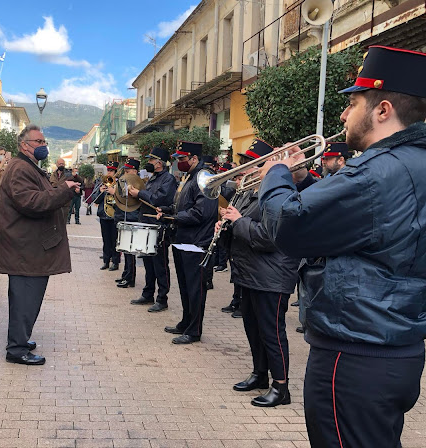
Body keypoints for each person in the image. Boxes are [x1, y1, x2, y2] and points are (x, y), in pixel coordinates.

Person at [258, 46, 426, 446]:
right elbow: (365, 227)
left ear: (382, 110)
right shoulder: (413, 163)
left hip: (354, 351)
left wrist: (275, 174)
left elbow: (288, 226)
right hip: (394, 345)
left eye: (352, 104)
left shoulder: (376, 170)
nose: (342, 115)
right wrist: (299, 182)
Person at [0, 124, 79, 366]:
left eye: (44, 141)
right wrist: (63, 191)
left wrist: (62, 187)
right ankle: (16, 349)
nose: (43, 145)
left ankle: (21, 338)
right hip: (23, 247)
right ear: (24, 145)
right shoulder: (20, 168)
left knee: (27, 297)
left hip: (27, 246)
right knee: (25, 298)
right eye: (39, 141)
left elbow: (38, 195)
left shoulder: (26, 166)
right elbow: (31, 202)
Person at [217, 139, 299, 408]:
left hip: (271, 277)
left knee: (273, 333)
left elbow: (267, 237)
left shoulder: (280, 193)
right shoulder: (250, 191)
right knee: (253, 328)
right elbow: (244, 225)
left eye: (255, 163)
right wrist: (228, 223)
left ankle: (281, 387)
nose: (246, 169)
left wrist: (238, 221)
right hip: (250, 273)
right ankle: (260, 374)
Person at [158, 142, 216, 344]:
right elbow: (182, 206)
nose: (178, 162)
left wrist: (174, 218)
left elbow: (201, 212)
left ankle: (194, 330)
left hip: (197, 242)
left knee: (195, 288)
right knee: (184, 285)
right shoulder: (189, 177)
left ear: (194, 159)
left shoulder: (204, 178)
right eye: (177, 159)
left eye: (182, 159)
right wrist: (168, 212)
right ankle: (186, 321)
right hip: (183, 239)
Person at [128, 147, 177, 313]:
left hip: (159, 226)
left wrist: (140, 193)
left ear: (158, 163)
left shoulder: (168, 179)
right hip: (146, 223)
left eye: (150, 160)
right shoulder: (153, 178)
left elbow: (158, 199)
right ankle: (148, 293)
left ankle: (162, 298)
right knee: (148, 262)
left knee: (160, 264)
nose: (147, 163)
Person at [113, 159, 141, 288]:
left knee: (130, 250)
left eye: (128, 170)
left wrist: (115, 193)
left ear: (135, 171)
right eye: (125, 170)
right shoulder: (125, 181)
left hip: (131, 217)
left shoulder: (137, 183)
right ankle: (126, 274)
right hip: (122, 216)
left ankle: (130, 277)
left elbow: (130, 200)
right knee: (125, 248)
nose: (125, 172)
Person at [93, 161, 120, 271]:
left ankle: (115, 261)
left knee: (114, 240)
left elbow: (123, 199)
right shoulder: (101, 183)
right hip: (103, 215)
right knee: (106, 240)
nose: (109, 173)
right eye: (108, 170)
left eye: (112, 171)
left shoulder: (119, 184)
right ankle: (106, 260)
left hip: (115, 216)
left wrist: (114, 192)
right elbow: (95, 199)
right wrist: (100, 191)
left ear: (116, 172)